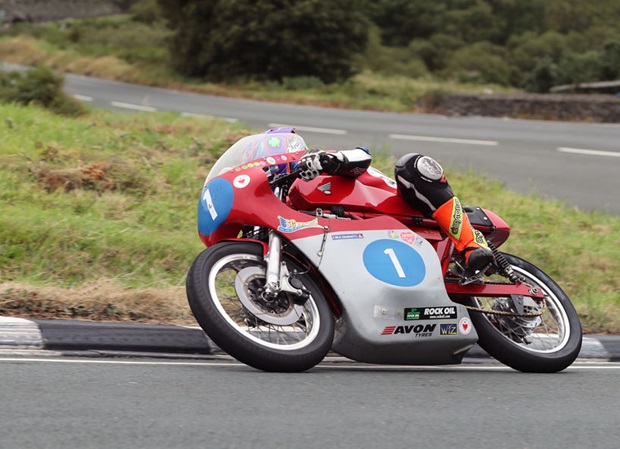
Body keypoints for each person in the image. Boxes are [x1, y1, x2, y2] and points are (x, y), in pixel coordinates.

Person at [297, 147, 495, 274]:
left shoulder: (317, 162)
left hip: (402, 205)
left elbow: (362, 155)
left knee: (412, 164)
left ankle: (472, 244)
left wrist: (329, 160)